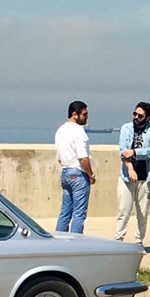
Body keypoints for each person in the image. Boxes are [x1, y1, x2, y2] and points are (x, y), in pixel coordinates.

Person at [114, 100, 150, 244]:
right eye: (134, 114)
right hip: (127, 177)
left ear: (148, 118)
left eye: (140, 116)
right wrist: (130, 168)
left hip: (146, 177)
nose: (136, 117)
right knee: (123, 211)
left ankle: (139, 241)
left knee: (142, 213)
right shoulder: (126, 128)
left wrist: (135, 152)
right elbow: (123, 152)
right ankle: (118, 240)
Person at [54, 100, 94, 233]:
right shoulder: (79, 131)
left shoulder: (60, 131)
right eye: (84, 114)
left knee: (65, 212)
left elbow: (59, 157)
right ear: (74, 114)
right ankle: (76, 241)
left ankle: (59, 239)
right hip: (78, 174)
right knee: (79, 213)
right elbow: (83, 158)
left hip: (65, 172)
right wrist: (91, 175)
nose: (87, 117)